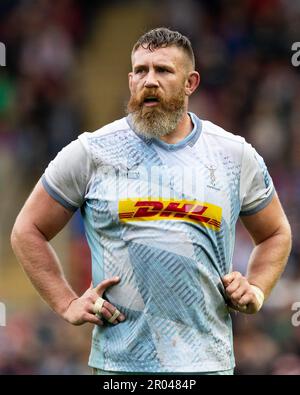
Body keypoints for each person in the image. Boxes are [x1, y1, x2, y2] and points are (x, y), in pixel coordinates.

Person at [11, 27, 292, 375]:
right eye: (141, 71)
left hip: (208, 365)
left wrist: (257, 289)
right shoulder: (91, 152)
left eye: (163, 70)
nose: (150, 81)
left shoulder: (233, 155)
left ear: (191, 83)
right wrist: (66, 302)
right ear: (130, 81)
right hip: (120, 369)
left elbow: (276, 233)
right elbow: (27, 230)